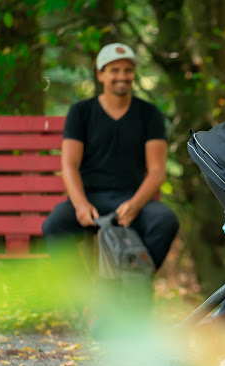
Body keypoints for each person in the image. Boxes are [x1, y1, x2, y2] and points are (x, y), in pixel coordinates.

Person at [42, 42, 179, 272]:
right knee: (53, 226)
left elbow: (157, 171)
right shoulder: (81, 112)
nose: (122, 76)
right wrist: (81, 205)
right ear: (100, 75)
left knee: (165, 221)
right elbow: (69, 164)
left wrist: (135, 205)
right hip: (90, 200)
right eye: (114, 70)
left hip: (130, 200)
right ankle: (80, 299)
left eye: (127, 70)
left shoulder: (149, 114)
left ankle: (133, 286)